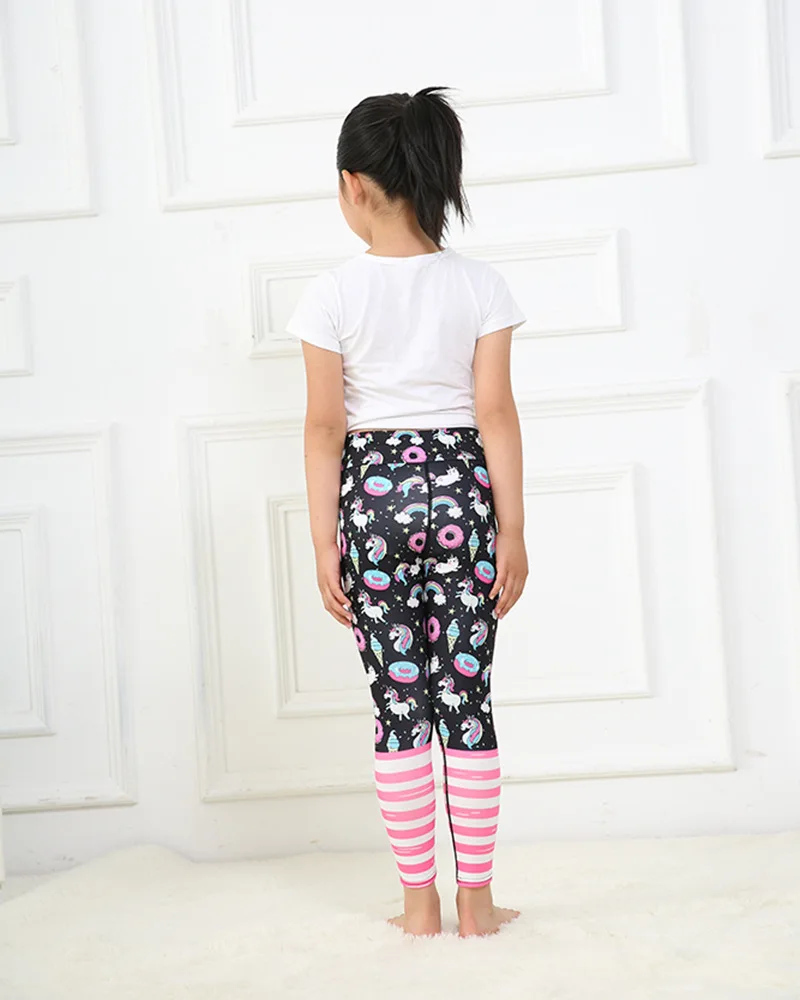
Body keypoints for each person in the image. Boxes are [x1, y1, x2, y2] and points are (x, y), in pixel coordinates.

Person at [286, 86, 529, 938]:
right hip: (464, 494)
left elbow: (325, 427)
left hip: (373, 505)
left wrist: (325, 541)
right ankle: (478, 903)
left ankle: (418, 905)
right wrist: (512, 530)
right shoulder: (481, 285)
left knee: (400, 707)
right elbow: (494, 413)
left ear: (353, 185)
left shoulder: (330, 294)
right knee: (467, 699)